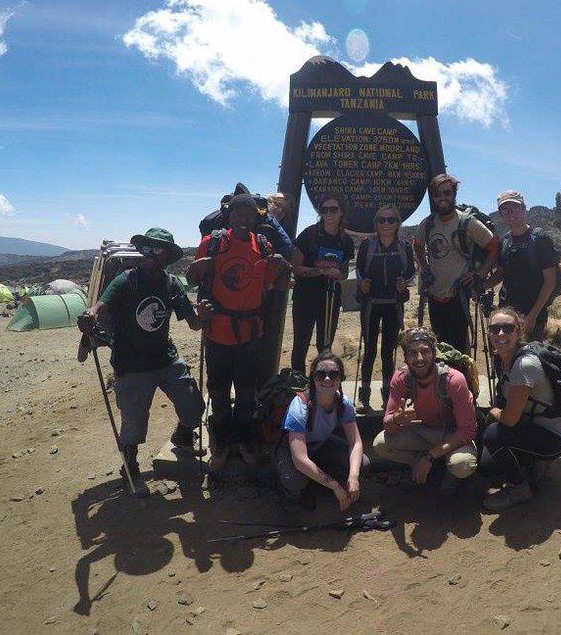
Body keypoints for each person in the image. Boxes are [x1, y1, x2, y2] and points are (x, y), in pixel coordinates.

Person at [79, 228, 207, 497]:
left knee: (194, 406)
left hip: (165, 358)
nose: (149, 254)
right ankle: (130, 469)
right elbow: (101, 305)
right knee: (133, 424)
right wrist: (90, 314)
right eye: (146, 249)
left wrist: (204, 315)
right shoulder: (127, 280)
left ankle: (183, 436)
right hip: (131, 364)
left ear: (167, 256)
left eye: (156, 249)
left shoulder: (171, 284)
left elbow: (195, 324)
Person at [187, 193, 291, 469]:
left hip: (249, 333)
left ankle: (244, 439)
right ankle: (222, 440)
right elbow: (191, 279)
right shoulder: (212, 243)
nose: (243, 219)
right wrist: (197, 269)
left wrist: (284, 269)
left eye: (249, 215)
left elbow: (278, 285)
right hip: (217, 331)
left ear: (256, 218)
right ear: (229, 217)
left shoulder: (263, 246)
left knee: (246, 392)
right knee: (219, 390)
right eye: (237, 214)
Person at [480, 307, 561, 511]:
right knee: (486, 466)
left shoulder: (524, 365)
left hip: (556, 437)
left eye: (508, 328)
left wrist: (493, 413)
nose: (501, 334)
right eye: (495, 329)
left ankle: (520, 489)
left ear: (519, 330)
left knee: (493, 434)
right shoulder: (505, 358)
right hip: (538, 427)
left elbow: (509, 419)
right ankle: (535, 464)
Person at [373, 327, 478, 494]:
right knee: (381, 444)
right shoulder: (401, 378)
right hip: (425, 431)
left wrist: (430, 455)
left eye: (425, 351)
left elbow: (467, 431)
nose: (419, 358)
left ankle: (441, 467)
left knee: (462, 465)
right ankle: (425, 466)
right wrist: (397, 420)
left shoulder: (453, 380)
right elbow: (388, 425)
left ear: (434, 353)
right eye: (413, 353)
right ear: (405, 357)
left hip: (453, 435)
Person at [414, 174, 498, 353]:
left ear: (454, 194)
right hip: (434, 295)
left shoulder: (467, 223)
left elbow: (494, 247)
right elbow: (418, 245)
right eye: (437, 194)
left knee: (458, 349)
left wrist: (479, 274)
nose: (442, 198)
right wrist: (424, 267)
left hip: (458, 296)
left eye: (447, 193)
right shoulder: (428, 224)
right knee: (440, 346)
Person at [275, 351, 367, 511]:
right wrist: (335, 486)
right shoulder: (300, 406)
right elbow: (299, 459)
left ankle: (319, 479)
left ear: (341, 378)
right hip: (291, 451)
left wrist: (353, 476)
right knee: (295, 480)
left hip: (320, 445)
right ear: (313, 378)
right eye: (320, 374)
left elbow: (355, 443)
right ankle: (291, 490)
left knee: (362, 463)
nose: (327, 379)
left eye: (334, 374)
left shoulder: (343, 404)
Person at [354, 204, 416, 414]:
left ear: (398, 223)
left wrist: (403, 284)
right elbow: (359, 270)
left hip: (393, 305)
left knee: (388, 352)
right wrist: (362, 284)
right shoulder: (367, 245)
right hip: (371, 305)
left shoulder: (404, 246)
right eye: (382, 220)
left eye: (391, 220)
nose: (386, 224)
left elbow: (411, 272)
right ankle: (364, 396)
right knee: (369, 350)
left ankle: (388, 395)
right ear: (376, 223)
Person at [290, 194, 355, 372]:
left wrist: (338, 274)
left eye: (333, 209)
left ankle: (322, 381)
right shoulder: (309, 234)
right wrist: (322, 271)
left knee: (325, 346)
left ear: (341, 212)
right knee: (300, 345)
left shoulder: (346, 241)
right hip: (305, 298)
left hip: (330, 299)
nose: (328, 213)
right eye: (324, 209)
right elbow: (296, 268)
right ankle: (299, 383)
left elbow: (344, 274)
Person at [486, 190, 561, 341]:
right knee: (504, 353)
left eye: (514, 207)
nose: (510, 213)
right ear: (501, 214)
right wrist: (482, 285)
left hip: (532, 314)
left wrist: (532, 316)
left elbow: (550, 281)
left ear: (523, 209)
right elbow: (501, 273)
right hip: (506, 314)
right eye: (505, 209)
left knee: (530, 354)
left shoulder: (540, 239)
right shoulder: (504, 241)